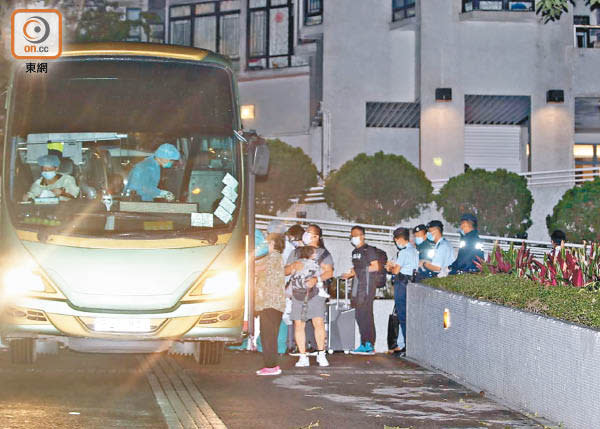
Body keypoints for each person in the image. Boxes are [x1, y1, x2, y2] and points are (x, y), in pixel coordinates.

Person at [285, 224, 334, 367]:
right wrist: (293, 266)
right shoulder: (295, 253)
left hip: (316, 294)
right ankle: (302, 356)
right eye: (305, 232)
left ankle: (321, 354)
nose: (305, 234)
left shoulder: (323, 253)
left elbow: (329, 272)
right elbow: (286, 271)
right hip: (298, 292)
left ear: (316, 236)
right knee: (298, 324)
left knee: (318, 322)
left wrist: (316, 279)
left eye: (308, 232)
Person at [342, 225, 380, 355]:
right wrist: (351, 274)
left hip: (367, 287)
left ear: (363, 236)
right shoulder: (354, 252)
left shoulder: (368, 250)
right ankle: (364, 343)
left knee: (366, 314)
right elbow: (358, 269)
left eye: (356, 235)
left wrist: (356, 271)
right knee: (359, 315)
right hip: (358, 287)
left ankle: (369, 344)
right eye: (352, 235)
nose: (354, 238)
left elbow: (375, 267)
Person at [254, 233, 286, 376]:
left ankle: (271, 366)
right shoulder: (277, 258)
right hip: (274, 303)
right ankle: (272, 365)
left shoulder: (273, 257)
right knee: (270, 335)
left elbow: (256, 269)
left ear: (272, 243)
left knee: (268, 335)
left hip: (269, 302)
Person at [385, 227, 419, 357]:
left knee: (403, 317)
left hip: (402, 285)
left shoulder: (404, 252)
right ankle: (408, 345)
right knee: (409, 316)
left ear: (399, 239)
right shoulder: (414, 251)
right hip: (411, 284)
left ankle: (406, 346)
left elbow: (396, 271)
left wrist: (390, 267)